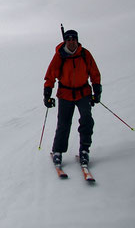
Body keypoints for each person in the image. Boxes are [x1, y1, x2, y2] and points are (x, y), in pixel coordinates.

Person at [43, 29, 102, 166]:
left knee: (87, 120)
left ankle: (84, 150)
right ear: (65, 41)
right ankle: (58, 151)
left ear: (77, 40)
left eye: (73, 39)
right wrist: (47, 94)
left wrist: (97, 90)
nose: (71, 42)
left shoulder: (85, 54)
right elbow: (50, 75)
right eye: (68, 39)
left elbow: (94, 73)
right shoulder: (60, 56)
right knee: (63, 124)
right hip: (65, 94)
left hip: (83, 93)